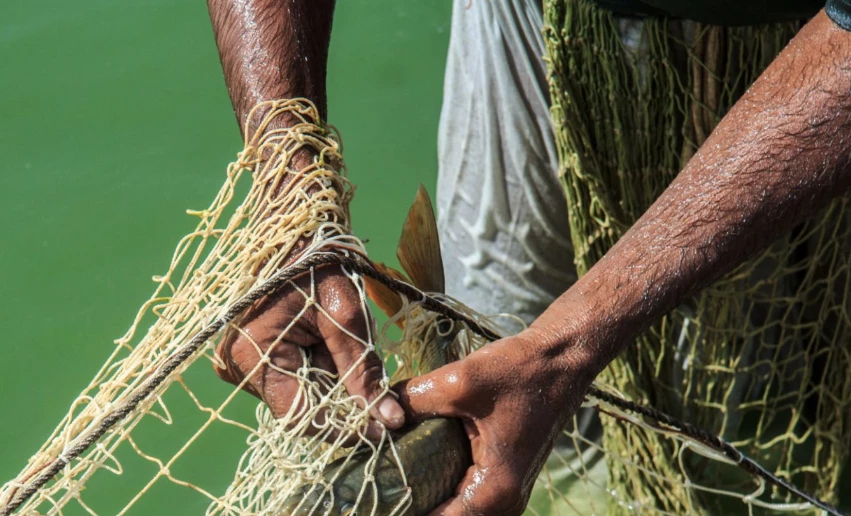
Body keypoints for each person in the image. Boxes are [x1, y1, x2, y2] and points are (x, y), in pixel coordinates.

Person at [206, 0, 851, 514]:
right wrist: (292, 203)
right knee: (495, 375)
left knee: (742, 397)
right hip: (531, 14)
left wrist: (560, 351)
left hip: (796, 46)